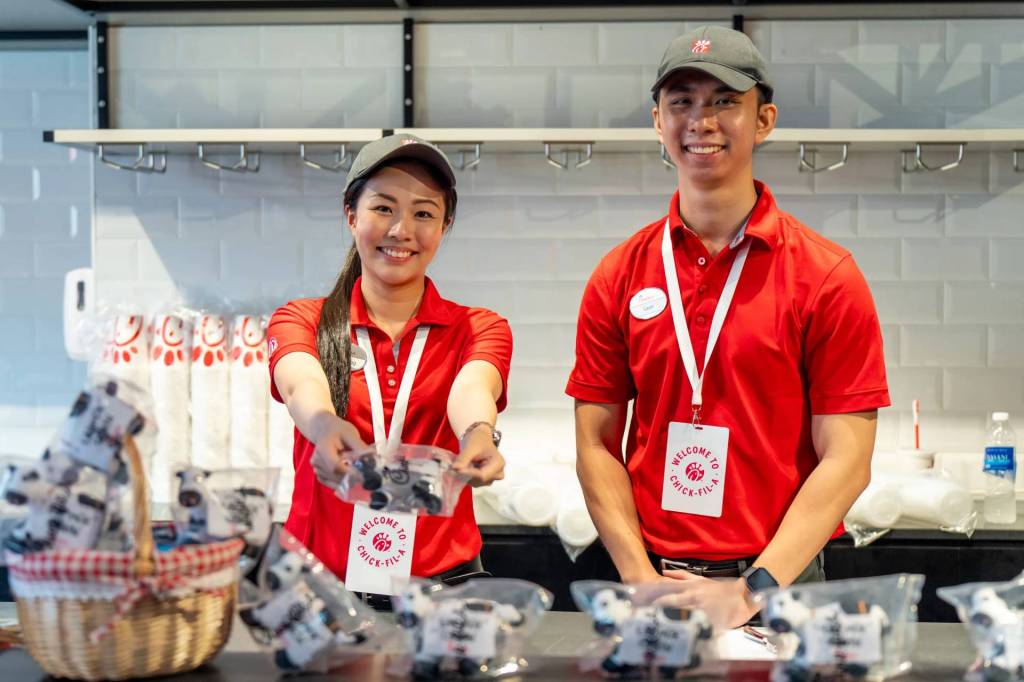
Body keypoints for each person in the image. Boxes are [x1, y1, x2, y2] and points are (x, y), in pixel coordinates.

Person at [567, 25, 891, 629]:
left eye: (724, 101)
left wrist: (750, 591)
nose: (701, 120)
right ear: (658, 121)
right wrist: (640, 580)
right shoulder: (619, 274)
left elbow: (848, 458)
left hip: (779, 588)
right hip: (651, 581)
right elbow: (595, 445)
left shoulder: (826, 276)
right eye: (682, 102)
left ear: (763, 120)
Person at [268, 134, 511, 601]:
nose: (401, 230)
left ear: (445, 225)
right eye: (383, 208)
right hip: (321, 594)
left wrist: (479, 434)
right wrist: (324, 425)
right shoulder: (302, 320)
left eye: (424, 213)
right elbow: (301, 384)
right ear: (351, 215)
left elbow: (473, 388)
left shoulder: (478, 327)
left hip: (442, 591)